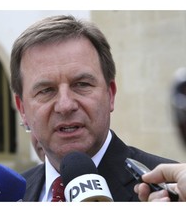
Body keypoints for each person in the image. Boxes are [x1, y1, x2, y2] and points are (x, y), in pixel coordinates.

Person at [10, 14, 178, 202]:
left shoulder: (172, 191)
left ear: (110, 94)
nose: (65, 105)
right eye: (46, 90)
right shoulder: (9, 198)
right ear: (22, 109)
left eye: (81, 84)